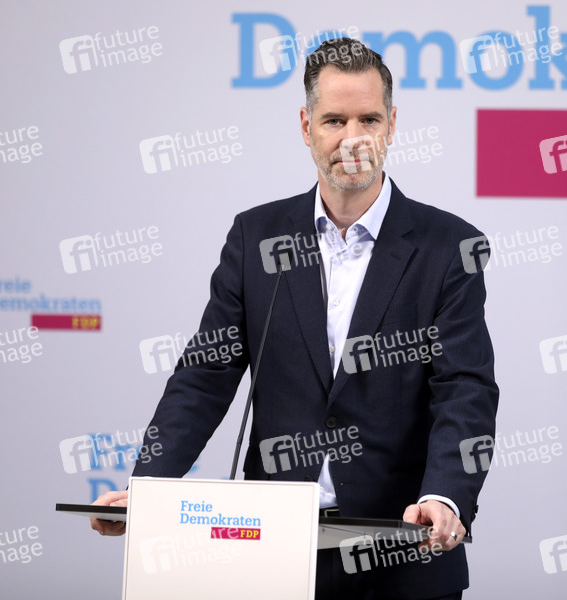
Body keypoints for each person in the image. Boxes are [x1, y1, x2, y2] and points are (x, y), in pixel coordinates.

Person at [91, 37, 499, 600]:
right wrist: (149, 487)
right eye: (334, 120)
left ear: (392, 125)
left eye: (369, 119)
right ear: (307, 127)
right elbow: (205, 376)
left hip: (403, 553)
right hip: (272, 553)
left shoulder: (450, 246)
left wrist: (445, 496)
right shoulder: (256, 237)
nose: (353, 138)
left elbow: (464, 389)